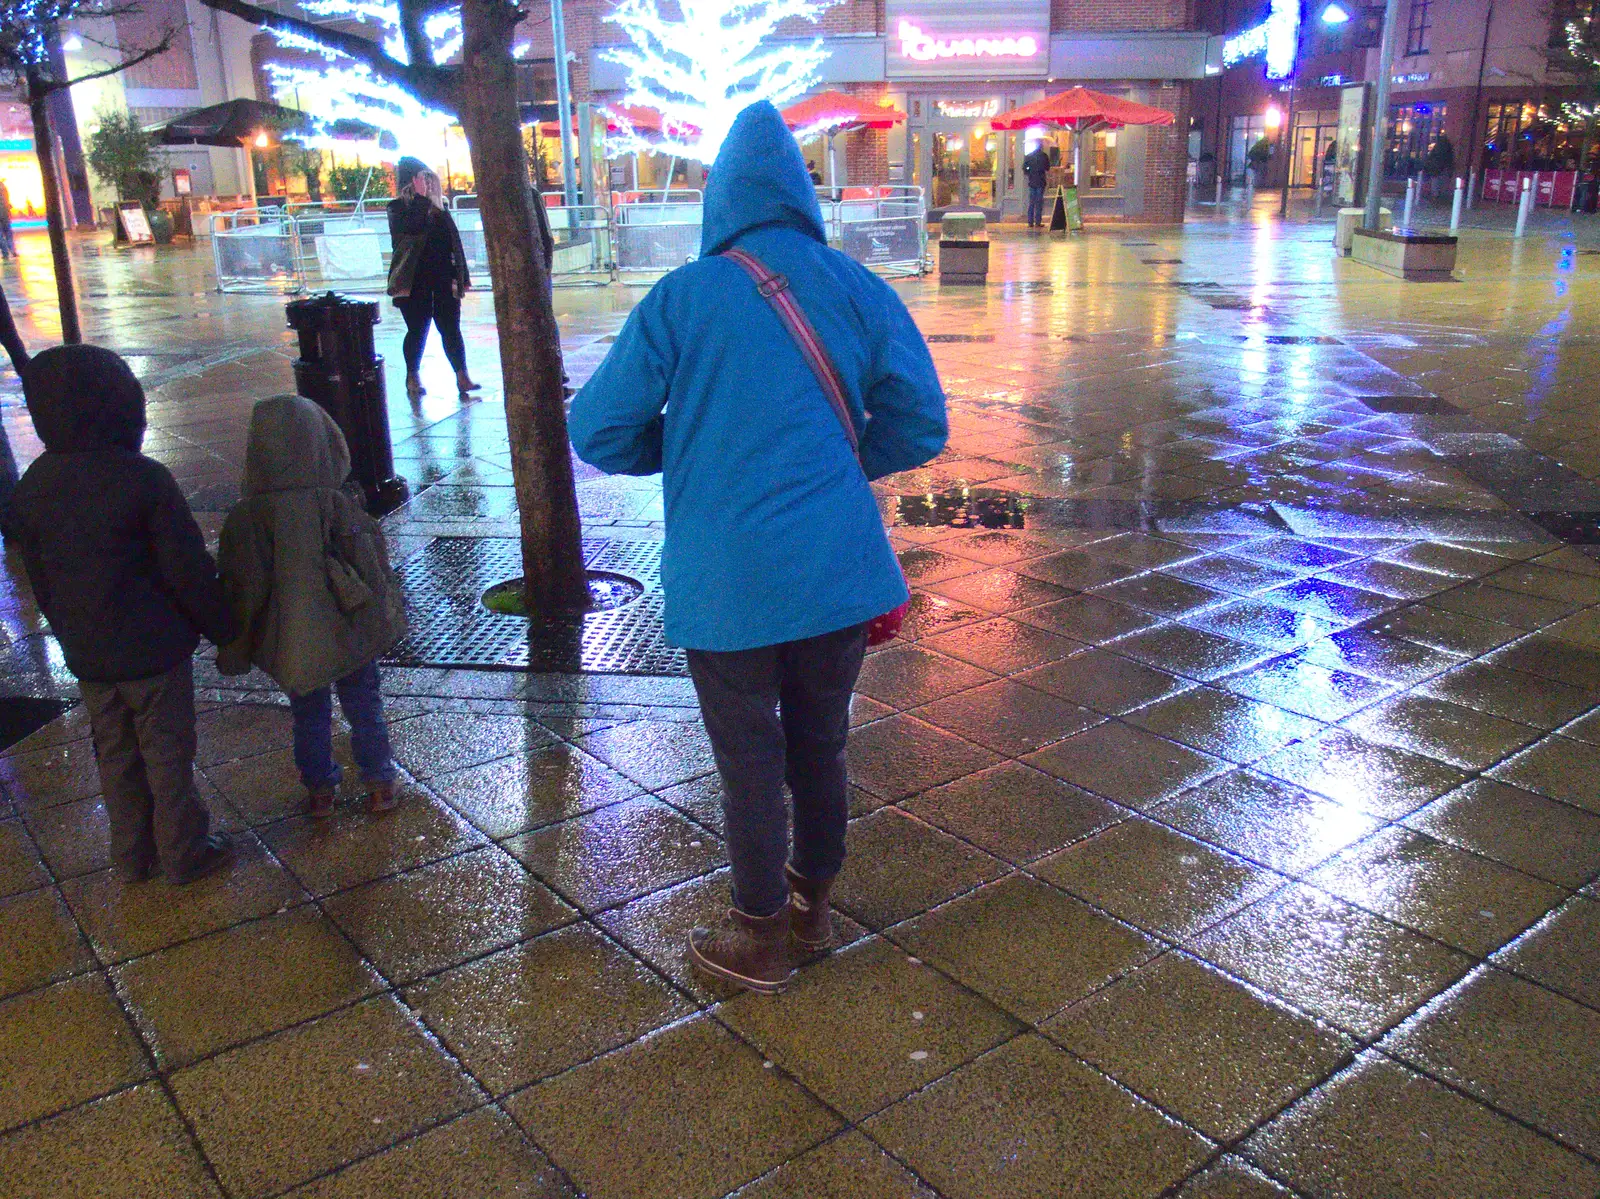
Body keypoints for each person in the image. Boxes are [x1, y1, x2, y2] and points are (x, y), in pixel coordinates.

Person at [570, 101, 947, 994]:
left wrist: (686, 451)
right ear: (798, 194)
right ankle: (813, 906)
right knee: (822, 742)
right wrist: (845, 459)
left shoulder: (682, 299)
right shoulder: (856, 286)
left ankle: (756, 936)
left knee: (748, 762)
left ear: (719, 200)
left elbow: (598, 429)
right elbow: (920, 421)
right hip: (835, 576)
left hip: (727, 581)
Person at [4, 346, 235, 884]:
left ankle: (131, 856)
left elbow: (37, 575)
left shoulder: (33, 485)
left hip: (89, 655)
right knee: (167, 755)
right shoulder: (143, 479)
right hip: (153, 654)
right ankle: (184, 851)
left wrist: (67, 633)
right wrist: (224, 628)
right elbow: (186, 570)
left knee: (114, 756)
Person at [217, 395, 408, 817]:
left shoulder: (248, 516)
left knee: (308, 713)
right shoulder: (337, 503)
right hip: (349, 625)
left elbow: (240, 585)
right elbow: (372, 568)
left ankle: (319, 790)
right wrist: (388, 616)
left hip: (293, 639)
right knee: (364, 704)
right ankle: (379, 782)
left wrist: (235, 643)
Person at [387, 157, 477, 400]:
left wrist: (462, 276)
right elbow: (409, 231)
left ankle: (462, 375)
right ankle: (412, 375)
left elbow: (454, 244)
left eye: (429, 180)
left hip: (443, 282)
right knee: (417, 330)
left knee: (451, 329)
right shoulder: (398, 208)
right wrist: (419, 199)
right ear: (411, 183)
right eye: (422, 180)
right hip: (414, 284)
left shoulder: (440, 210)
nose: (427, 185)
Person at [1023, 140, 1051, 228]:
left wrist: (1029, 172)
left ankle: (1030, 221)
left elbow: (1024, 168)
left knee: (1032, 202)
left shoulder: (1029, 156)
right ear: (1041, 146)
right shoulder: (1044, 156)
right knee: (1039, 202)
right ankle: (1038, 221)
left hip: (1032, 181)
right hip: (1041, 181)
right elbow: (1047, 168)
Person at [0, 181, 16, 260]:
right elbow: (6, 199)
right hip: (5, 212)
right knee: (8, 233)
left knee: (0, 235)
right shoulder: (3, 186)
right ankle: (12, 251)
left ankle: (5, 253)